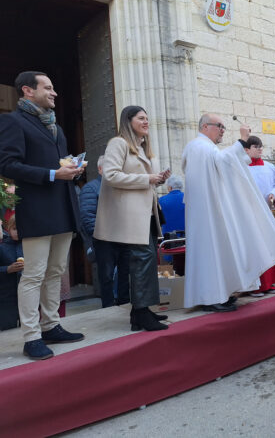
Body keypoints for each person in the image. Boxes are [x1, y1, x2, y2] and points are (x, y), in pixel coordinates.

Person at [0, 71, 85, 360]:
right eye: (47, 88)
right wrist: (52, 174)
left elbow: (56, 164)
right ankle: (31, 336)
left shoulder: (56, 128)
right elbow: (8, 165)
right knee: (33, 274)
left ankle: (51, 325)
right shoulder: (12, 121)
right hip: (36, 210)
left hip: (62, 207)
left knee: (56, 272)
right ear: (27, 90)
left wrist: (71, 168)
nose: (54, 93)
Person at [182, 114, 275, 312]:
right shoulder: (199, 146)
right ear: (205, 126)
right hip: (207, 214)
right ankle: (211, 296)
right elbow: (223, 162)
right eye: (219, 126)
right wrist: (242, 141)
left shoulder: (206, 147)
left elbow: (223, 164)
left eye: (223, 126)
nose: (223, 129)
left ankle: (219, 294)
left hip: (211, 211)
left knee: (219, 251)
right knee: (211, 252)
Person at [94, 105, 170, 331]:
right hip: (128, 214)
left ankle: (142, 311)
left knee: (145, 260)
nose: (146, 122)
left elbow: (144, 179)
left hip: (145, 212)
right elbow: (111, 175)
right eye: (141, 118)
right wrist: (147, 178)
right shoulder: (118, 143)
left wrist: (159, 179)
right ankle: (140, 312)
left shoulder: (143, 147)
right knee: (142, 259)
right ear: (128, 120)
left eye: (147, 118)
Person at [80, 155, 131, 308]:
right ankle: (108, 309)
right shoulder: (90, 188)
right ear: (101, 169)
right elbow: (87, 217)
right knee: (107, 277)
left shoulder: (120, 186)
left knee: (125, 275)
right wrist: (102, 235)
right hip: (105, 241)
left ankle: (125, 306)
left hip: (124, 238)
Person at [245, 135, 275, 296]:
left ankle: (270, 282)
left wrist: (273, 194)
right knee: (256, 248)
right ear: (247, 150)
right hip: (252, 214)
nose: (260, 149)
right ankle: (256, 285)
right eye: (256, 146)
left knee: (271, 246)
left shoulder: (270, 167)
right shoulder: (243, 168)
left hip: (269, 213)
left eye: (261, 146)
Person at [0, 215, 22, 330]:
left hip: (26, 297)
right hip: (6, 297)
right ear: (8, 229)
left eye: (21, 228)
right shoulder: (2, 247)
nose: (18, 232)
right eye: (15, 229)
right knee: (7, 328)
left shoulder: (29, 246)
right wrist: (7, 269)